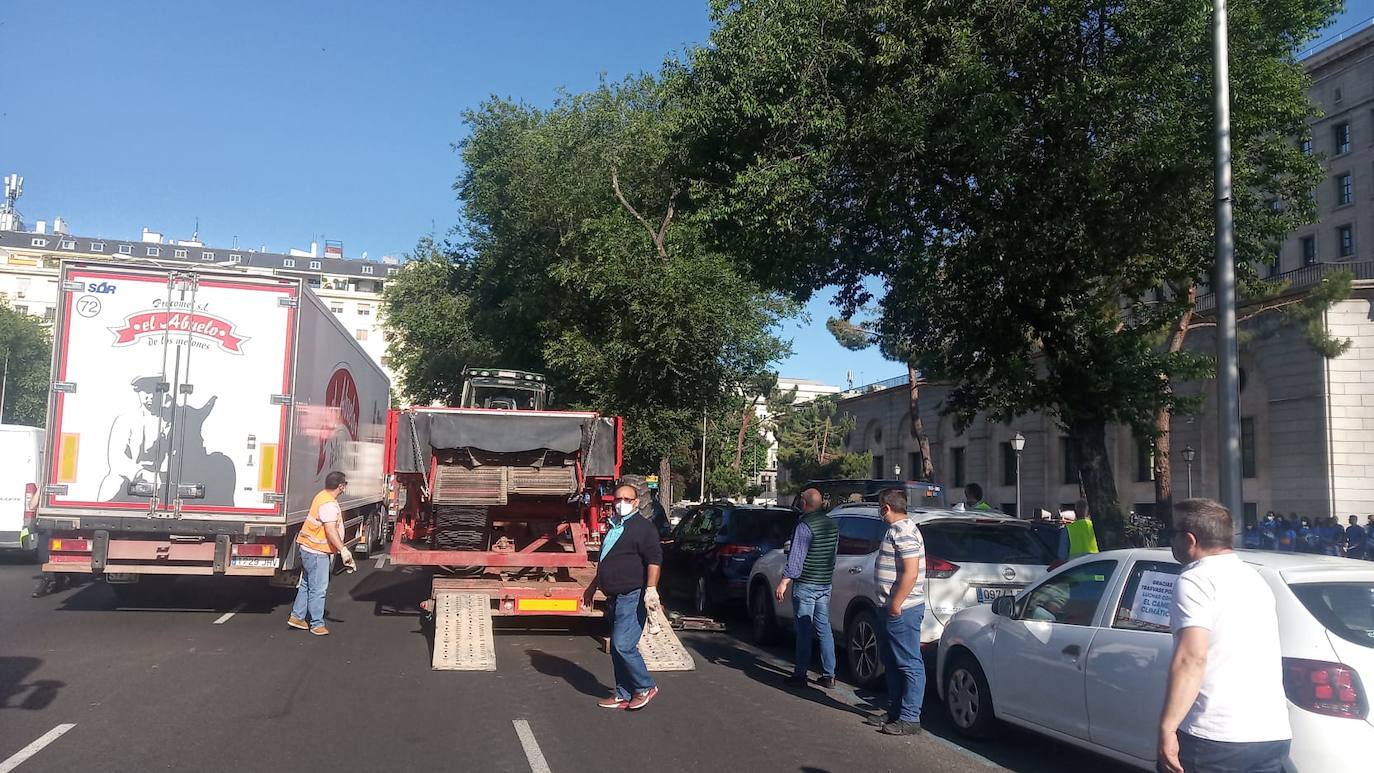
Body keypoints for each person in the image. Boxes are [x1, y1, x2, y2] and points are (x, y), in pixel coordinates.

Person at [1157, 498, 1290, 773]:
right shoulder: (1254, 578)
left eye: (1174, 534)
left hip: (1215, 737)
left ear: (1190, 540)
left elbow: (1191, 659)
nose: (1172, 541)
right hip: (1270, 734)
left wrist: (1168, 727)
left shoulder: (1195, 579)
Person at [582, 483, 663, 711]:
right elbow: (607, 559)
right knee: (618, 650)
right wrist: (592, 586)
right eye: (618, 499)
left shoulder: (643, 528)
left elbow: (654, 560)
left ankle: (645, 686)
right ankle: (623, 693)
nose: (621, 503)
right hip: (614, 597)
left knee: (622, 645)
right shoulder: (614, 527)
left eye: (627, 499)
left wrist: (651, 589)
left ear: (636, 502)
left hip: (633, 595)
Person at [865, 487, 925, 736]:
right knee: (891, 660)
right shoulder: (897, 530)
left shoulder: (903, 532)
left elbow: (910, 572)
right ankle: (895, 711)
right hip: (891, 608)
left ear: (886, 508)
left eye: (880, 507)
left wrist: (896, 603)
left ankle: (910, 717)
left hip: (903, 609)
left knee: (909, 662)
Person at [777, 487, 839, 689]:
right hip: (824, 583)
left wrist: (784, 581)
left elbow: (796, 558)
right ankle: (829, 674)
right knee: (824, 628)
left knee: (803, 629)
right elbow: (833, 555)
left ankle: (800, 674)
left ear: (804, 503)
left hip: (806, 584)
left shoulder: (804, 525)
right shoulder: (832, 525)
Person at [288, 471, 355, 636]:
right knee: (318, 589)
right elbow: (330, 530)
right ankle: (317, 624)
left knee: (306, 584)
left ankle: (297, 616)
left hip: (308, 548)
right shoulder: (329, 505)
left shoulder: (322, 496)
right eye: (345, 484)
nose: (345, 486)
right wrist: (343, 550)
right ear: (340, 486)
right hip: (317, 552)